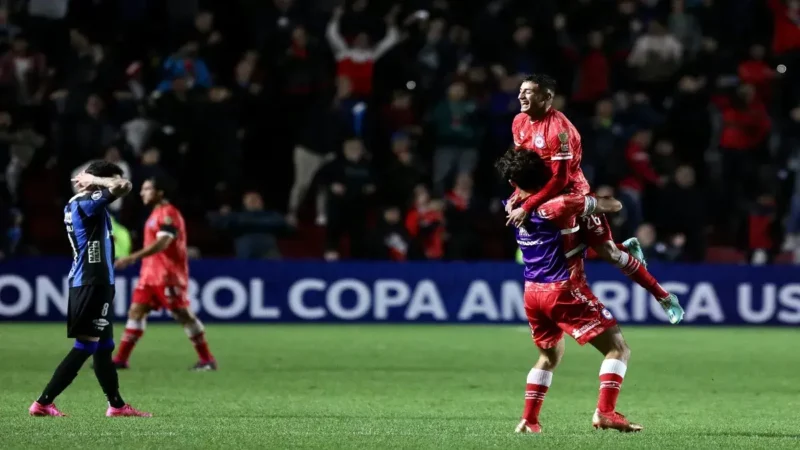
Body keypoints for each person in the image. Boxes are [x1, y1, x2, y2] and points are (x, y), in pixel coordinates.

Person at [495, 149, 649, 434]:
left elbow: (520, 184)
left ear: (513, 182)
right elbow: (613, 205)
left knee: (549, 357)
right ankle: (605, 412)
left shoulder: (512, 203)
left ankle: (529, 420)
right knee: (618, 349)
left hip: (532, 293)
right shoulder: (559, 205)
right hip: (562, 289)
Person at [507, 73, 682, 323]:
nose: (521, 96)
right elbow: (522, 167)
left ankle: (664, 297)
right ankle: (625, 248)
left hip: (573, 196)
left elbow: (561, 179)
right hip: (544, 199)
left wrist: (527, 206)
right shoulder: (519, 122)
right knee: (565, 252)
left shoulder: (560, 131)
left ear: (547, 97)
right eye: (521, 91)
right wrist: (517, 193)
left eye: (528, 92)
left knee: (609, 254)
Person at [29, 162, 151, 417]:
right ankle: (43, 402)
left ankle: (117, 405)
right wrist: (99, 180)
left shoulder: (84, 203)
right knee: (86, 345)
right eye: (108, 179)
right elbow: (124, 186)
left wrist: (97, 181)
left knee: (104, 346)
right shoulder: (86, 202)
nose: (112, 185)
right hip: (92, 281)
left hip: (96, 281)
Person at [113, 176, 217, 370]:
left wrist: (132, 257)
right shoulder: (155, 213)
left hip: (167, 275)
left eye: (147, 189)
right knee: (136, 311)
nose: (142, 193)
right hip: (149, 275)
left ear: (160, 192)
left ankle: (207, 360)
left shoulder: (169, 213)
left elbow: (163, 242)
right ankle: (120, 360)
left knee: (182, 314)